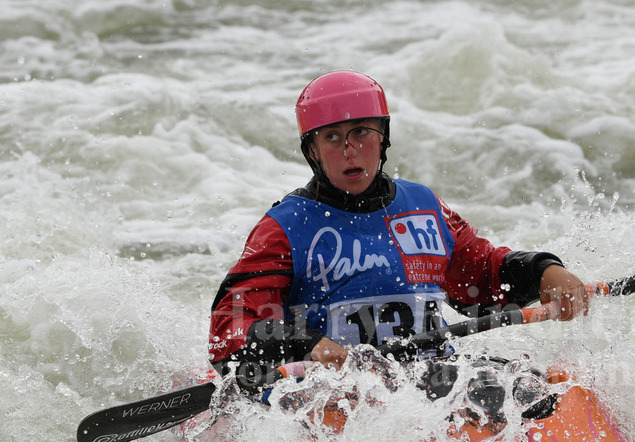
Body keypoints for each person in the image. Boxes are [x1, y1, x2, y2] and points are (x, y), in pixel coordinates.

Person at [208, 71, 590, 386]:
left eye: (362, 132)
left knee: (529, 387)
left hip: (429, 376)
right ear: (312, 151)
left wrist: (544, 271)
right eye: (332, 137)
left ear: (383, 136)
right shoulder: (284, 228)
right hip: (333, 388)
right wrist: (305, 344)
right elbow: (230, 325)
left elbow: (482, 280)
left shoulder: (423, 205)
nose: (350, 150)